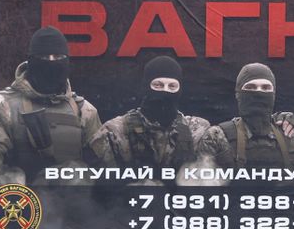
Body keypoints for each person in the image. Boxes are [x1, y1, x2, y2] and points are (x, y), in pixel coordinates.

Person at [0, 26, 104, 191]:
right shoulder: (4, 105)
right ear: (31, 61)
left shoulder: (84, 111)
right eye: (43, 56)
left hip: (75, 210)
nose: (51, 62)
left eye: (58, 56)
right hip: (20, 208)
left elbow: (102, 173)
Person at [89, 55, 227, 176]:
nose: (165, 92)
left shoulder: (198, 130)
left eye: (172, 86)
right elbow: (101, 187)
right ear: (145, 87)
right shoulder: (115, 131)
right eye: (158, 85)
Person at [211, 62, 294, 169]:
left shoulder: (289, 134)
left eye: (266, 88)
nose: (259, 92)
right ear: (238, 94)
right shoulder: (217, 137)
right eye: (251, 87)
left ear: (273, 95)